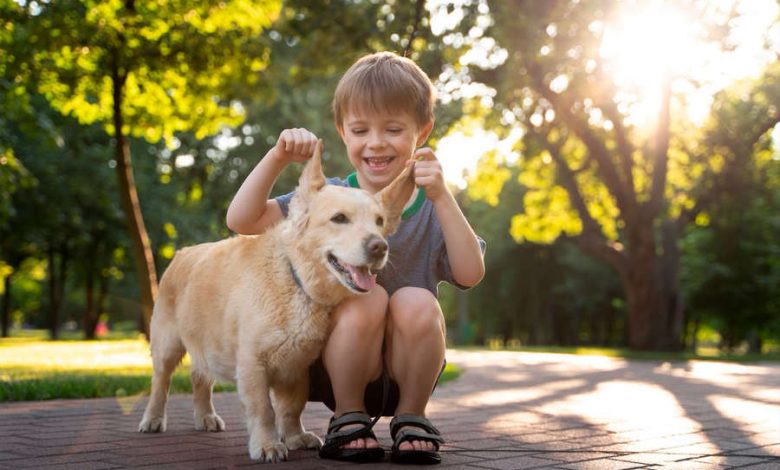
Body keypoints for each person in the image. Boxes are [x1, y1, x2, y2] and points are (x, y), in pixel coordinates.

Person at [226, 51, 485, 465]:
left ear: (424, 130)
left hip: (407, 371)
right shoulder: (327, 197)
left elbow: (470, 274)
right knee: (368, 297)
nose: (377, 142)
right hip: (336, 369)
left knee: (415, 300)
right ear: (342, 132)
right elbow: (243, 220)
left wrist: (443, 196)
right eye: (361, 129)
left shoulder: (434, 203)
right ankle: (348, 417)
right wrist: (277, 157)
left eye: (394, 128)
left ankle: (412, 417)